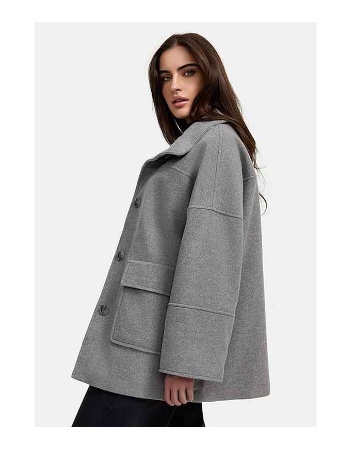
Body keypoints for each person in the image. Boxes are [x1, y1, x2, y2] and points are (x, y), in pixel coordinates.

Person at [71, 32, 270, 427]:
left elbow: (210, 262)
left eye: (187, 72)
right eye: (165, 77)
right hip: (152, 341)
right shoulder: (199, 144)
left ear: (210, 76)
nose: (175, 86)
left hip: (152, 351)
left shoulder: (216, 143)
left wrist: (186, 362)